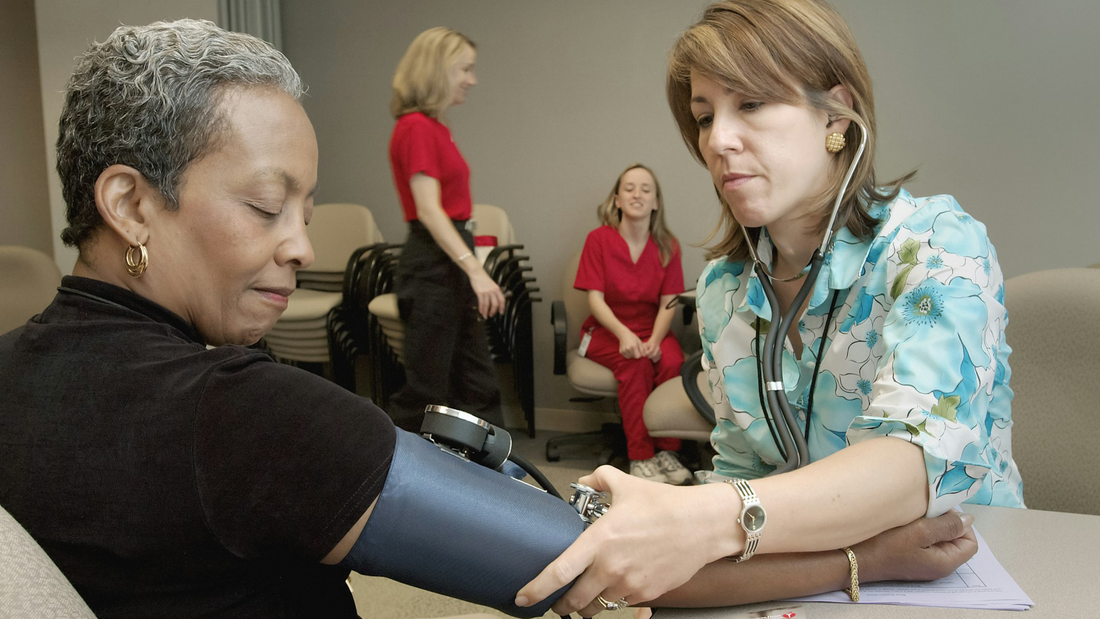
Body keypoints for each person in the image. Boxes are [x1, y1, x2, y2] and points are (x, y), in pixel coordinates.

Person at [0, 20, 589, 619]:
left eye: (304, 215)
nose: (302, 249)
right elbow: (587, 560)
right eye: (265, 207)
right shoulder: (244, 412)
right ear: (129, 205)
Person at [517, 0, 1019, 615]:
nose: (718, 141)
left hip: (968, 575)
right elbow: (737, 497)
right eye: (704, 117)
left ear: (837, 113)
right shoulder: (725, 291)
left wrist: (699, 515)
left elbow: (915, 467)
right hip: (808, 585)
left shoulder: (937, 245)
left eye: (750, 103)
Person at [386, 27, 505, 432]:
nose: (472, 79)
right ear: (438, 69)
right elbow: (429, 211)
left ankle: (495, 478)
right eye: (465, 69)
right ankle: (384, 478)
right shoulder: (416, 127)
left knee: (476, 383)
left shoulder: (436, 127)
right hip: (433, 266)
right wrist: (476, 271)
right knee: (427, 391)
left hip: (449, 262)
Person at [574, 164, 692, 484]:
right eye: (629, 188)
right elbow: (595, 299)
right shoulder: (598, 240)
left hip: (651, 327)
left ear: (656, 202)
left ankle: (667, 451)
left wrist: (656, 338)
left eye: (645, 189)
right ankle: (640, 456)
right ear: (617, 199)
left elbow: (669, 299)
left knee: (673, 361)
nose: (637, 194)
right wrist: (624, 334)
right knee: (635, 361)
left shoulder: (668, 245)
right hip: (605, 330)